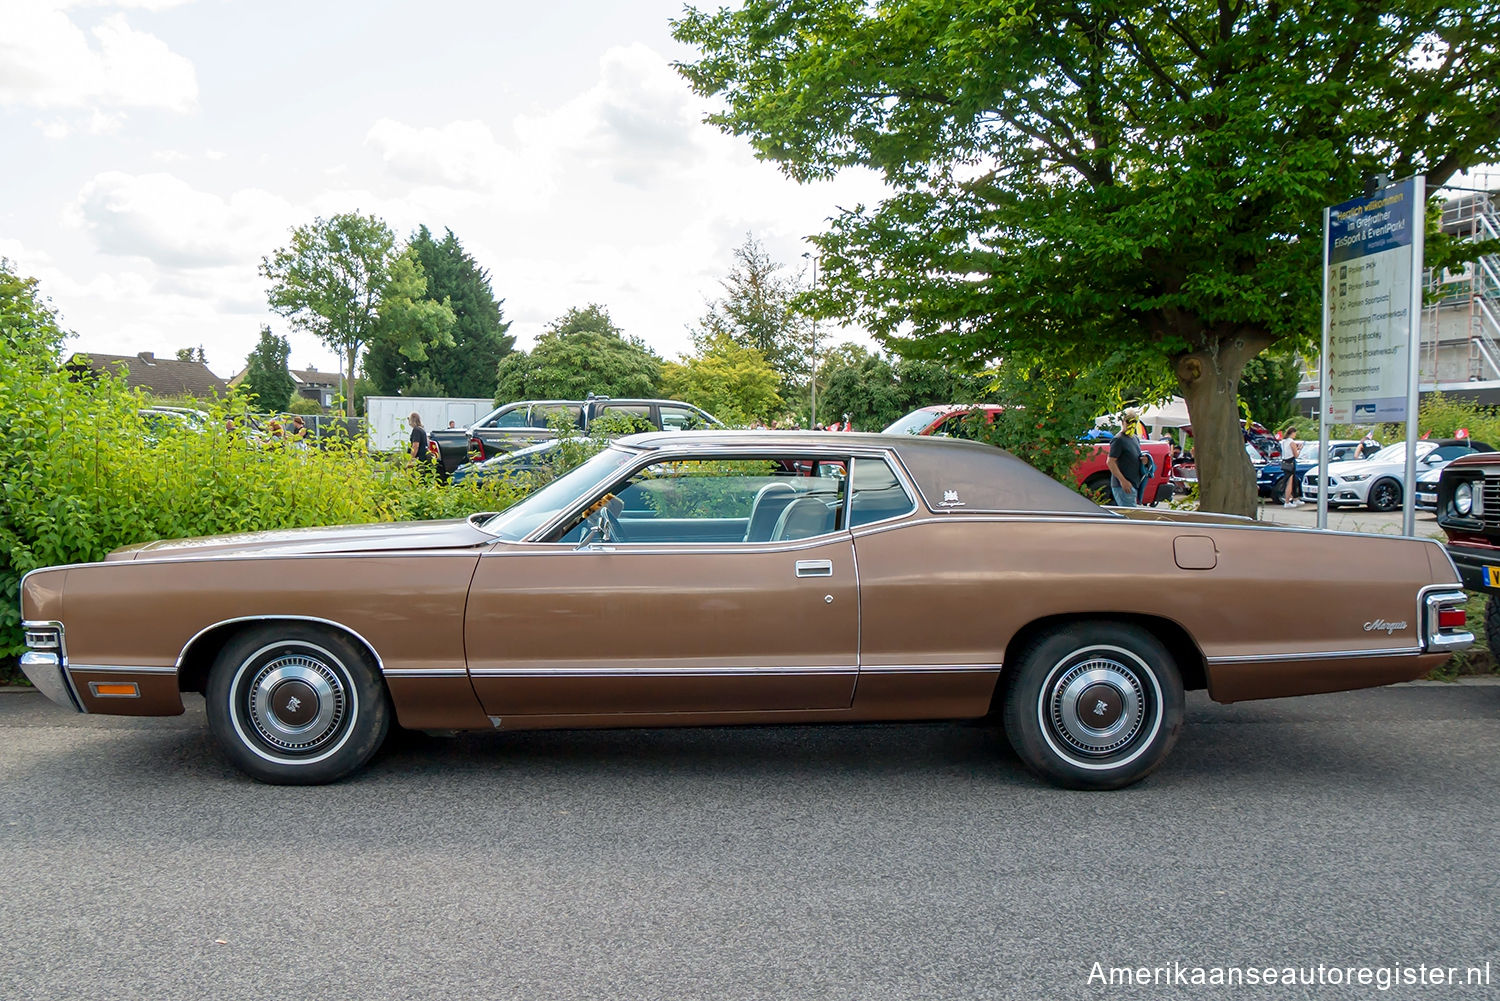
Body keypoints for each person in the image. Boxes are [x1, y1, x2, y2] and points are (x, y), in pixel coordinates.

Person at [1106, 407, 1144, 507]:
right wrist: (1123, 481)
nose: (1131, 424)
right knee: (1130, 516)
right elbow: (1110, 462)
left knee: (1131, 515)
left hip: (1134, 483)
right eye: (1128, 421)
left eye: (1134, 421)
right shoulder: (1118, 439)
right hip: (1123, 485)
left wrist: (1144, 460)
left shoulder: (1135, 438)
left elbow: (1135, 457)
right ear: (1123, 422)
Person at [1280, 426, 1302, 507]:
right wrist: (1299, 449)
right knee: (1290, 482)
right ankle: (1287, 502)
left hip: (1285, 462)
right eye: (1295, 433)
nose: (1295, 435)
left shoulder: (1283, 441)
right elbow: (1296, 455)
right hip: (1291, 462)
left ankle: (1295, 498)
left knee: (1294, 481)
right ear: (1292, 433)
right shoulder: (1291, 442)